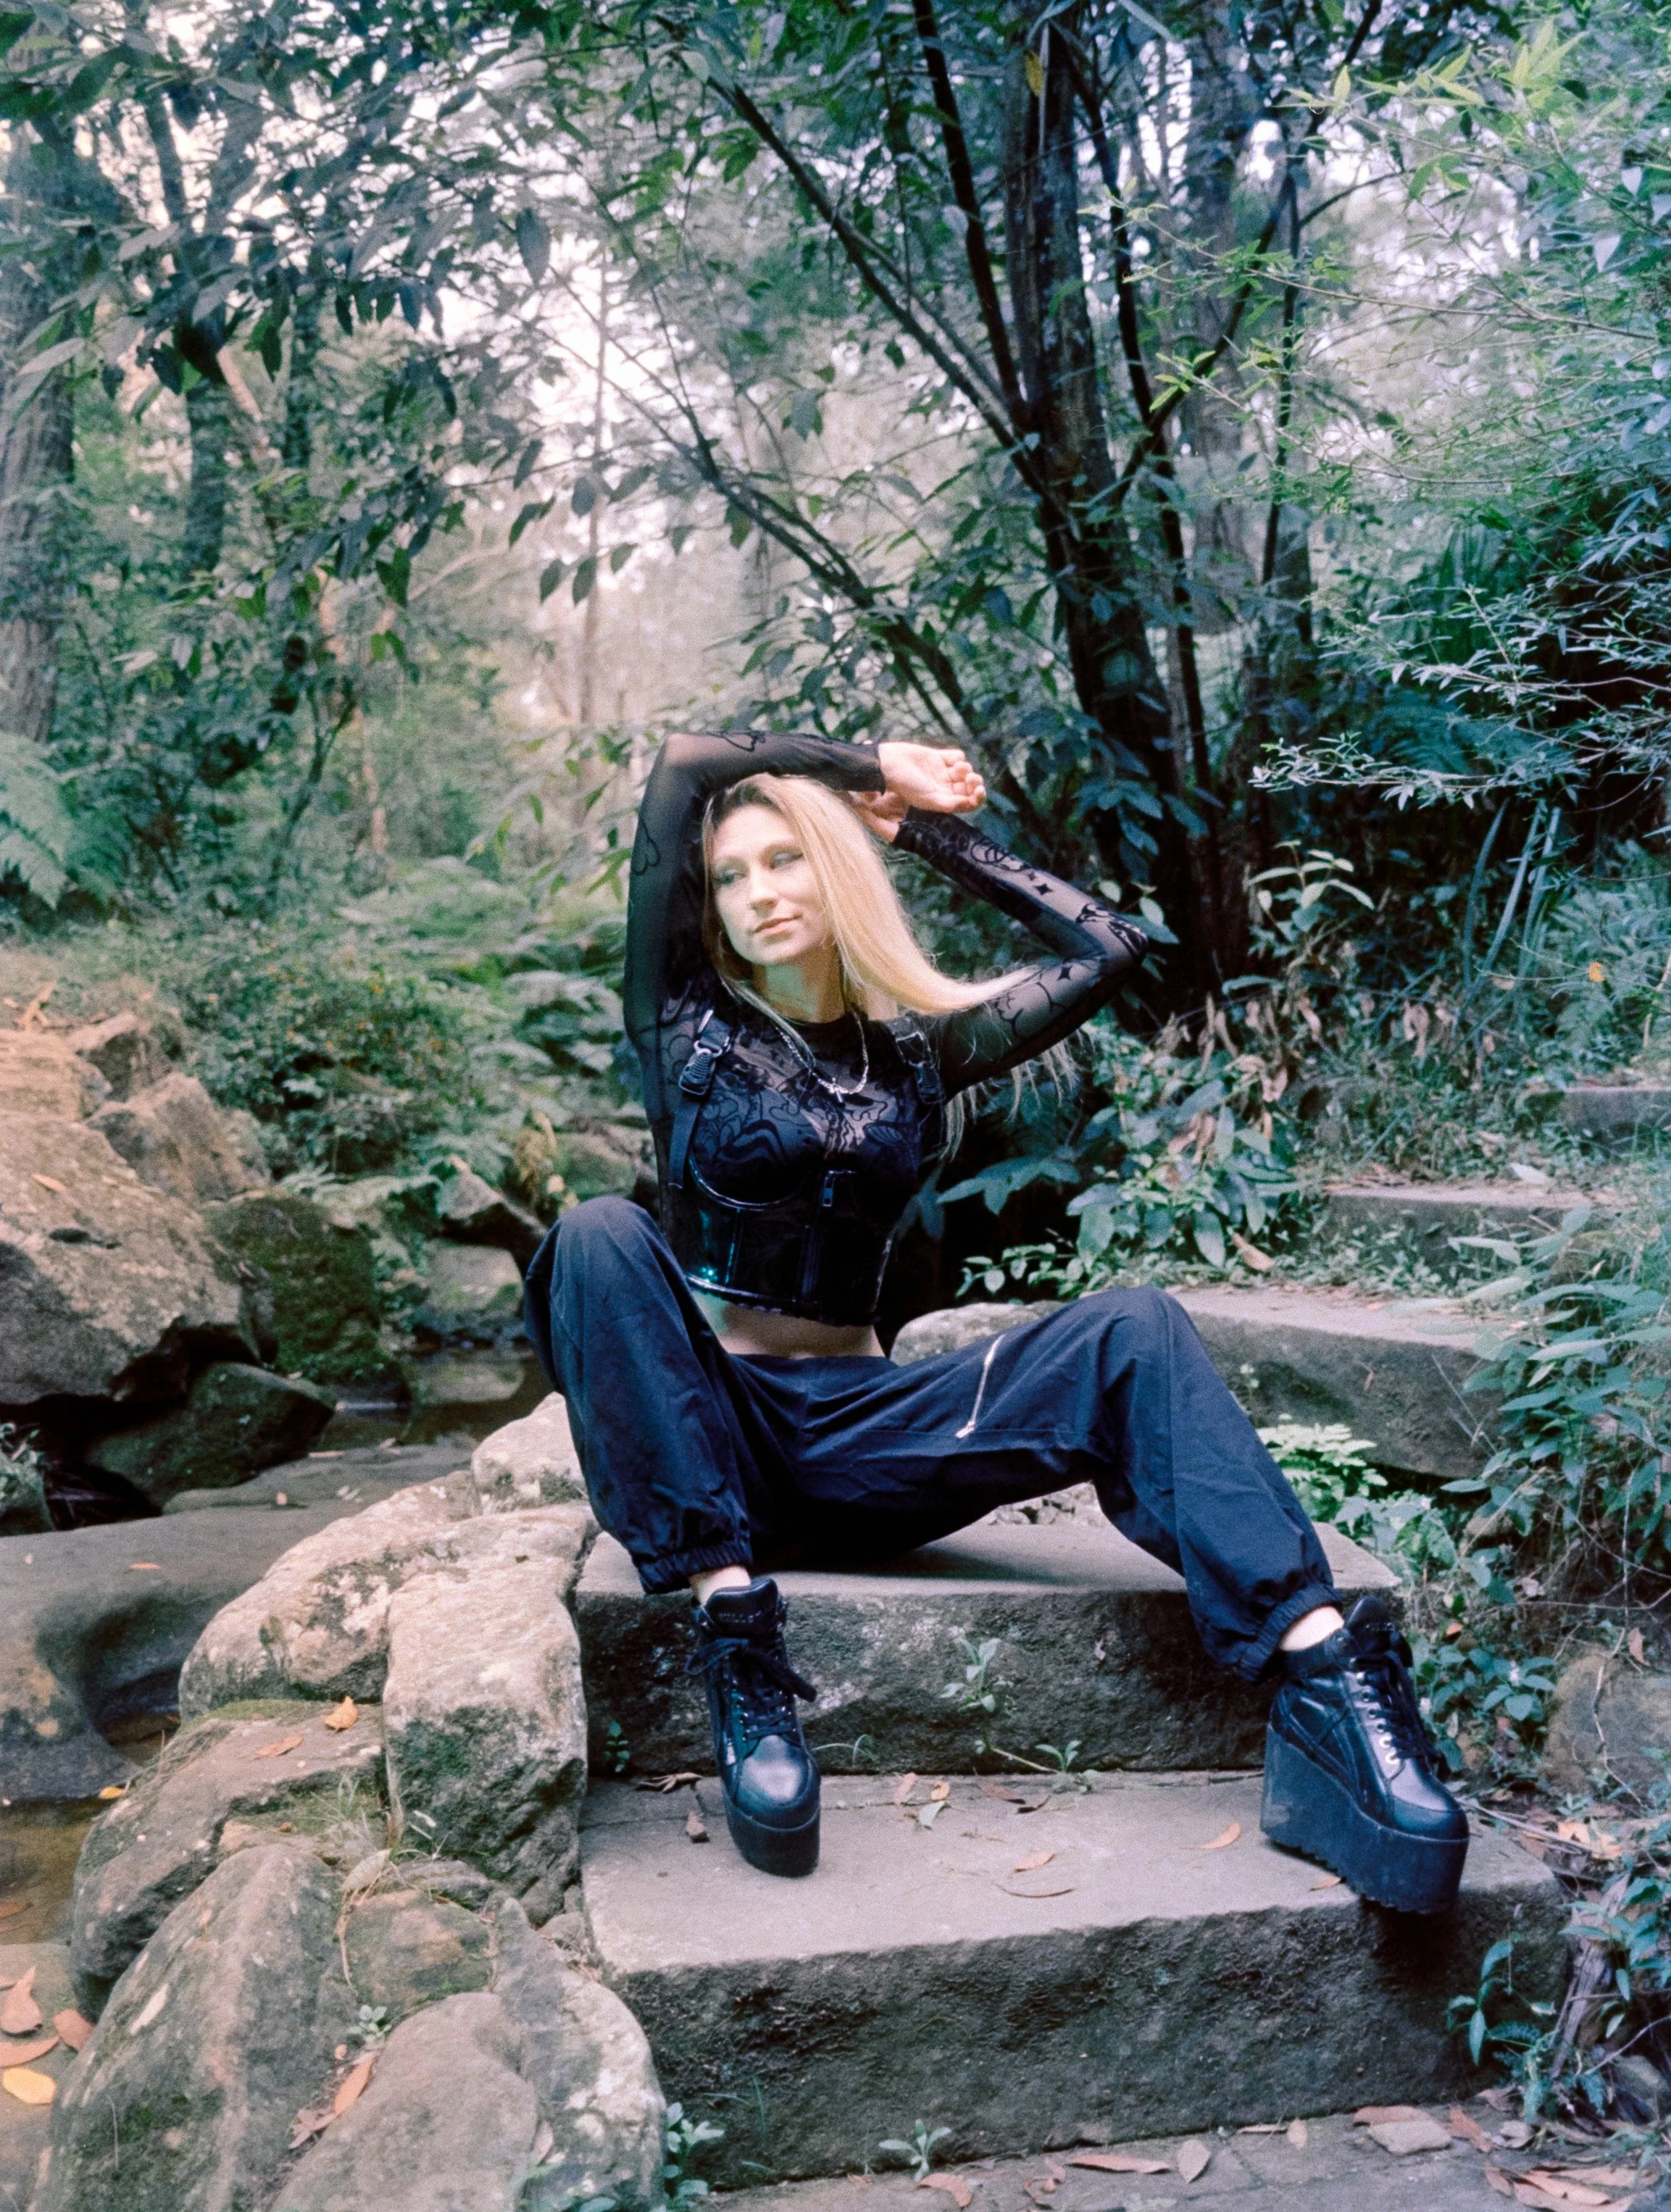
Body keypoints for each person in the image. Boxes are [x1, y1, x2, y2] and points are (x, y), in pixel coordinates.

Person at [525, 732, 1467, 1912]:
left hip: (864, 1443)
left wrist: (917, 827)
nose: (758, 893)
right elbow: (681, 763)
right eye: (728, 874)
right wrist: (871, 757)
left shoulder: (920, 1052)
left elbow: (1110, 944)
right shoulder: (682, 1028)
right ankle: (739, 1644)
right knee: (597, 1235)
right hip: (707, 1441)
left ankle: (1326, 1677)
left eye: (785, 860)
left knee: (1131, 1327)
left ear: (834, 870)